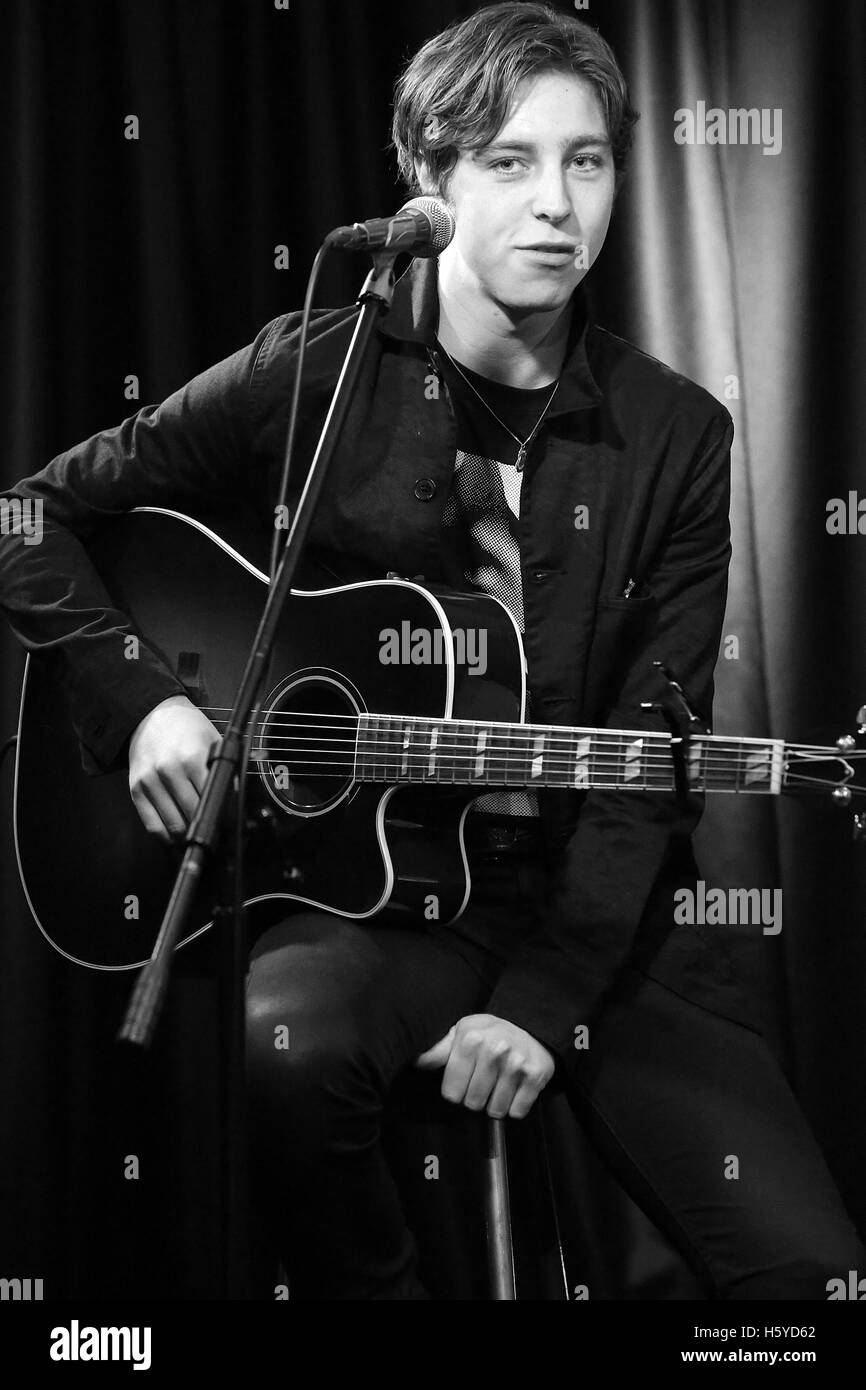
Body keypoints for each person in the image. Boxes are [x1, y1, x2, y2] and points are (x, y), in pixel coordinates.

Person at [1, 2, 863, 1300]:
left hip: (596, 910)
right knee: (283, 1041)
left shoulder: (677, 432)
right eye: (509, 163)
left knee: (810, 1275)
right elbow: (29, 517)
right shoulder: (316, 369)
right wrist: (141, 706)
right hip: (384, 900)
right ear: (430, 184)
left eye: (587, 161)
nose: (557, 205)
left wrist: (541, 996)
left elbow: (647, 753)